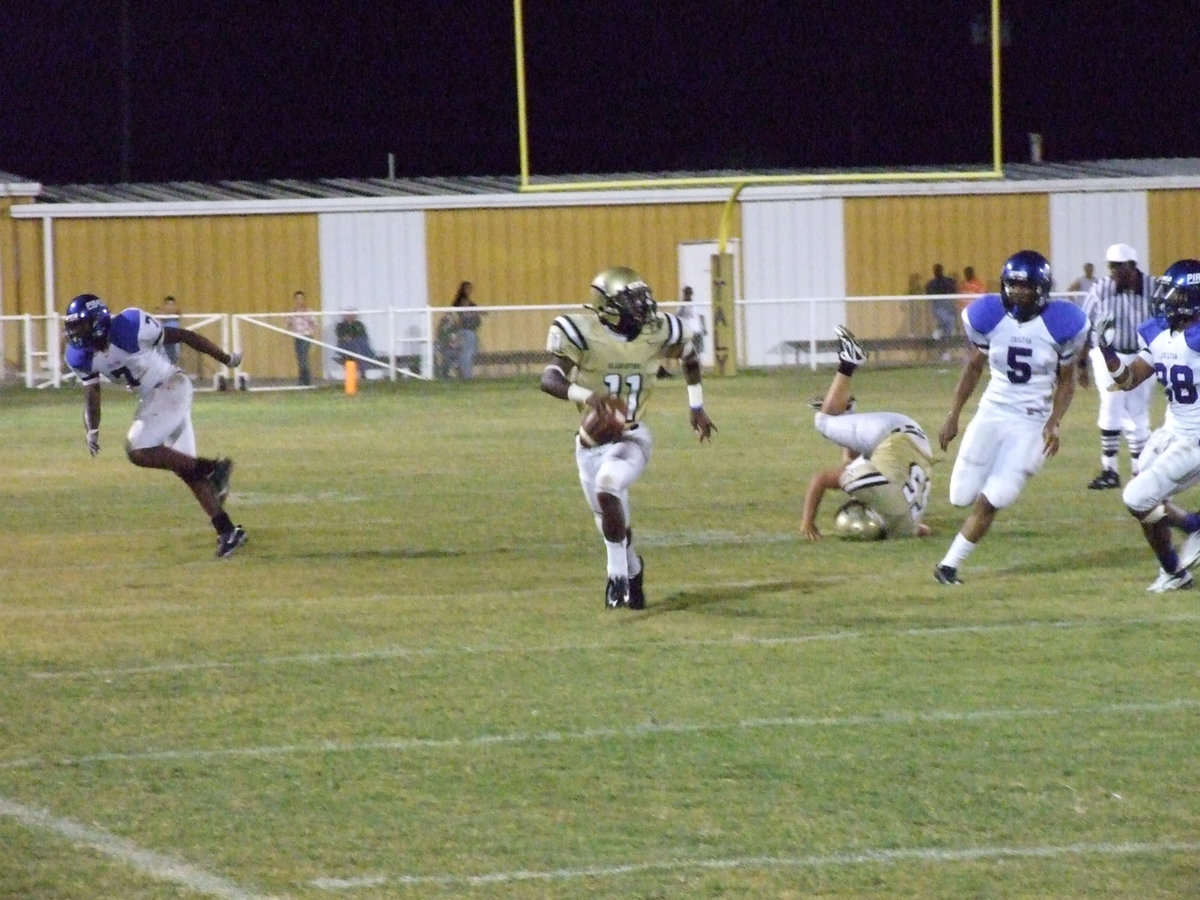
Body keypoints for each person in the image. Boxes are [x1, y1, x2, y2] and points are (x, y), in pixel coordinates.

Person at [540, 266, 716, 610]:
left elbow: (690, 357)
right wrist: (589, 397)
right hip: (591, 440)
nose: (642, 307)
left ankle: (616, 579)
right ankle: (633, 570)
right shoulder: (582, 332)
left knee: (609, 486)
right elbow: (549, 379)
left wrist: (697, 406)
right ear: (607, 306)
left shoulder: (659, 330)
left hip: (633, 436)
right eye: (631, 301)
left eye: (641, 299)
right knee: (611, 520)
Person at [934, 250, 1089, 585]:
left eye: (1026, 286)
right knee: (960, 496)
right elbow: (974, 366)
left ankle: (948, 566)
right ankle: (958, 546)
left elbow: (1067, 379)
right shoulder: (989, 315)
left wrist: (1055, 420)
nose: (1018, 292)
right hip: (993, 410)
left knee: (997, 496)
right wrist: (954, 414)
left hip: (1031, 421)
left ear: (1042, 288)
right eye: (1013, 284)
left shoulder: (1063, 323)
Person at [62, 293, 248, 558]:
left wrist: (225, 358)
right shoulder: (80, 355)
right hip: (154, 398)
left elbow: (184, 336)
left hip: (171, 386)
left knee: (137, 448)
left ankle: (214, 468)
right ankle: (228, 531)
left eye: (80, 325)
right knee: (184, 468)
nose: (76, 332)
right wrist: (92, 429)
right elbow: (92, 395)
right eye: (73, 326)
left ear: (97, 320)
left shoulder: (130, 325)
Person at [1097, 258, 1200, 591]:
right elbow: (1128, 380)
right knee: (1142, 496)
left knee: (1137, 497)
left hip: (1195, 441)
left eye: (1175, 295)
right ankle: (1183, 547)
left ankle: (1173, 569)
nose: (1166, 299)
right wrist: (1106, 350)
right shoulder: (1158, 332)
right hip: (1172, 430)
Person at [801, 325, 933, 540]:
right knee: (826, 425)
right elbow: (823, 479)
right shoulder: (878, 497)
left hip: (917, 441)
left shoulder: (905, 526)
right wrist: (808, 522)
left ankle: (847, 383)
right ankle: (848, 380)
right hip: (893, 434)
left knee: (837, 439)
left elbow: (923, 530)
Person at [1078, 243, 1156, 490]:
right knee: (1111, 405)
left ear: (1133, 266)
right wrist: (1081, 364)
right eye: (1111, 267)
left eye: (1118, 267)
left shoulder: (1154, 288)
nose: (1113, 273)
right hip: (1107, 355)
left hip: (1143, 356)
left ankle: (1139, 469)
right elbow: (1085, 323)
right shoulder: (1101, 289)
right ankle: (1109, 469)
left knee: (1138, 412)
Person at [451, 281, 483, 379]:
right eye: (468, 288)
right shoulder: (463, 301)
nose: (470, 290)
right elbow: (464, 315)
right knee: (468, 352)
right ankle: (466, 375)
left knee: (470, 351)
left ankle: (462, 369)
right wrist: (474, 314)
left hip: (466, 331)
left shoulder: (464, 302)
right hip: (466, 331)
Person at [287, 290, 316, 386]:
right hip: (297, 336)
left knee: (303, 357)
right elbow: (289, 323)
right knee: (300, 357)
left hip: (306, 335)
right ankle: (302, 379)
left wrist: (310, 332)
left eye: (301, 298)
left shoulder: (309, 311)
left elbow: (314, 323)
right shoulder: (292, 312)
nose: (299, 301)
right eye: (297, 299)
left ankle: (305, 380)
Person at [926, 263, 959, 341]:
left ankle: (944, 336)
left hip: (948, 305)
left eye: (939, 270)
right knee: (945, 320)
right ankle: (941, 334)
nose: (938, 272)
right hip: (938, 305)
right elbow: (929, 295)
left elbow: (954, 291)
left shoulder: (949, 281)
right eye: (936, 270)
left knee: (950, 320)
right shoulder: (931, 283)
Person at [157, 296, 181, 363]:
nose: (170, 307)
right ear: (164, 306)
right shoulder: (159, 319)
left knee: (173, 362)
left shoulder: (176, 319)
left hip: (173, 345)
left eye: (172, 305)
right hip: (163, 345)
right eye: (168, 304)